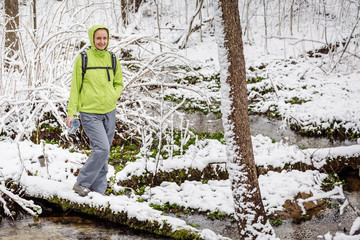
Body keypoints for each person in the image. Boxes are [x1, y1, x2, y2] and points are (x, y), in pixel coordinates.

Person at [66, 25, 123, 196]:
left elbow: (119, 83)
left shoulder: (112, 58)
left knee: (104, 153)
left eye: (105, 38)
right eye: (98, 38)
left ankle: (99, 190)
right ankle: (82, 183)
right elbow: (75, 88)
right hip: (90, 113)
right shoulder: (83, 58)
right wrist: (72, 113)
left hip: (109, 111)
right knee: (102, 149)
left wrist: (113, 95)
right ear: (92, 39)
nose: (102, 41)